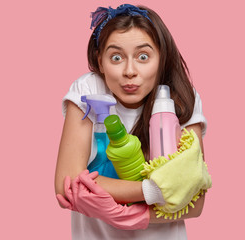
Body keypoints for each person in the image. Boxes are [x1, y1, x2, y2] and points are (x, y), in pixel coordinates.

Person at [55, 4, 208, 239]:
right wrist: (153, 191)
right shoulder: (90, 90)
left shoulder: (182, 98)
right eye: (116, 57)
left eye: (143, 57)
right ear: (100, 60)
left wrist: (131, 215)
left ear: (161, 58)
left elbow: (194, 201)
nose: (130, 71)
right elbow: (67, 186)